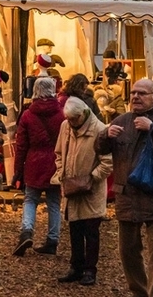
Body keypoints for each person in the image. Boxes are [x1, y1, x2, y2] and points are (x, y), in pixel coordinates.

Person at [96, 78, 153, 297]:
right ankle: (139, 292)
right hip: (128, 197)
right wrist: (105, 135)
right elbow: (99, 148)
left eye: (142, 93)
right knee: (128, 253)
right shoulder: (121, 121)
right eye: (133, 92)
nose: (135, 96)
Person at [52, 97, 113, 286]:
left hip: (91, 190)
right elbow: (59, 153)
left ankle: (90, 269)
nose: (71, 123)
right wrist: (62, 173)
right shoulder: (65, 127)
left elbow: (108, 162)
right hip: (71, 187)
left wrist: (91, 178)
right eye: (69, 119)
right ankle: (76, 266)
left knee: (91, 231)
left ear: (84, 114)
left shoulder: (100, 130)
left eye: (74, 119)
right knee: (74, 229)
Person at [13, 76, 63, 257]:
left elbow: (21, 146)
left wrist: (18, 170)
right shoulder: (62, 114)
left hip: (34, 161)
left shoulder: (27, 115)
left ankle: (26, 231)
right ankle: (52, 240)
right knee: (54, 202)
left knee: (30, 199)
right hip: (55, 162)